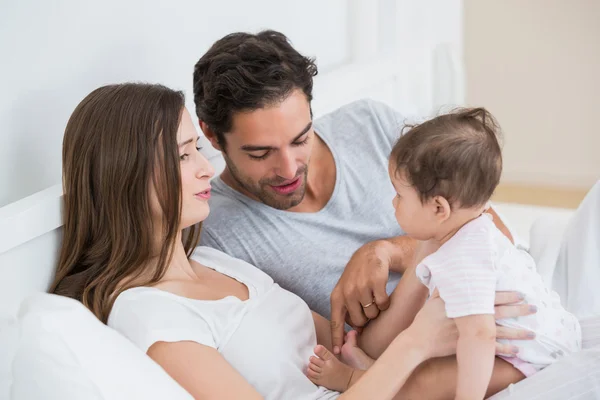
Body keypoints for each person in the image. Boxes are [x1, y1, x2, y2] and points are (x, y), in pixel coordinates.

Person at [50, 83, 534, 400]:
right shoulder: (149, 313)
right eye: (183, 155)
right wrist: (418, 343)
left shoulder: (219, 263)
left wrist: (429, 269)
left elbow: (350, 350)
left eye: (195, 149)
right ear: (127, 177)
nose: (204, 168)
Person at [193, 30, 516, 352]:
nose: (289, 169)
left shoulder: (370, 124)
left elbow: (495, 232)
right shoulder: (217, 234)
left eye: (301, 138)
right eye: (260, 153)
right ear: (212, 135)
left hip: (513, 313)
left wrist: (387, 252)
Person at [306, 108, 582, 399]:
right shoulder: (470, 229)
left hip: (533, 356)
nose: (392, 202)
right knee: (436, 366)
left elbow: (480, 336)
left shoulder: (463, 257)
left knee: (429, 382)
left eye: (400, 195)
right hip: (544, 341)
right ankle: (373, 369)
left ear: (439, 208)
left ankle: (353, 379)